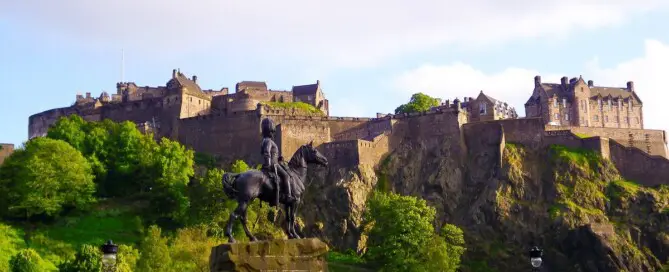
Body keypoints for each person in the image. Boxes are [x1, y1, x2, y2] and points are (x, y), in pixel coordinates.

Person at [260, 118, 294, 206]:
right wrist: (268, 164)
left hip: (274, 163)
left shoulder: (265, 141)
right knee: (286, 176)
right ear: (271, 131)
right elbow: (267, 152)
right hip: (273, 165)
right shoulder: (268, 141)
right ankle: (288, 196)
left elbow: (270, 153)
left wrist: (279, 159)